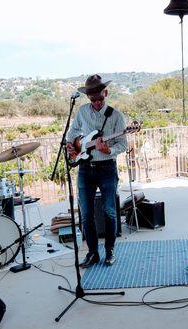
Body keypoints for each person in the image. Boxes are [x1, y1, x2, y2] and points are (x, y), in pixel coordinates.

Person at [66, 74, 128, 268]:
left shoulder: (116, 115)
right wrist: (72, 145)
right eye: (93, 99)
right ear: (88, 98)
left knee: (110, 211)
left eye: (101, 98)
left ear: (106, 93)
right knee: (86, 214)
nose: (98, 102)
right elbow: (72, 132)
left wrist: (108, 149)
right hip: (85, 169)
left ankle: (109, 251)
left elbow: (123, 144)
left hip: (107, 168)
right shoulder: (82, 111)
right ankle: (92, 253)